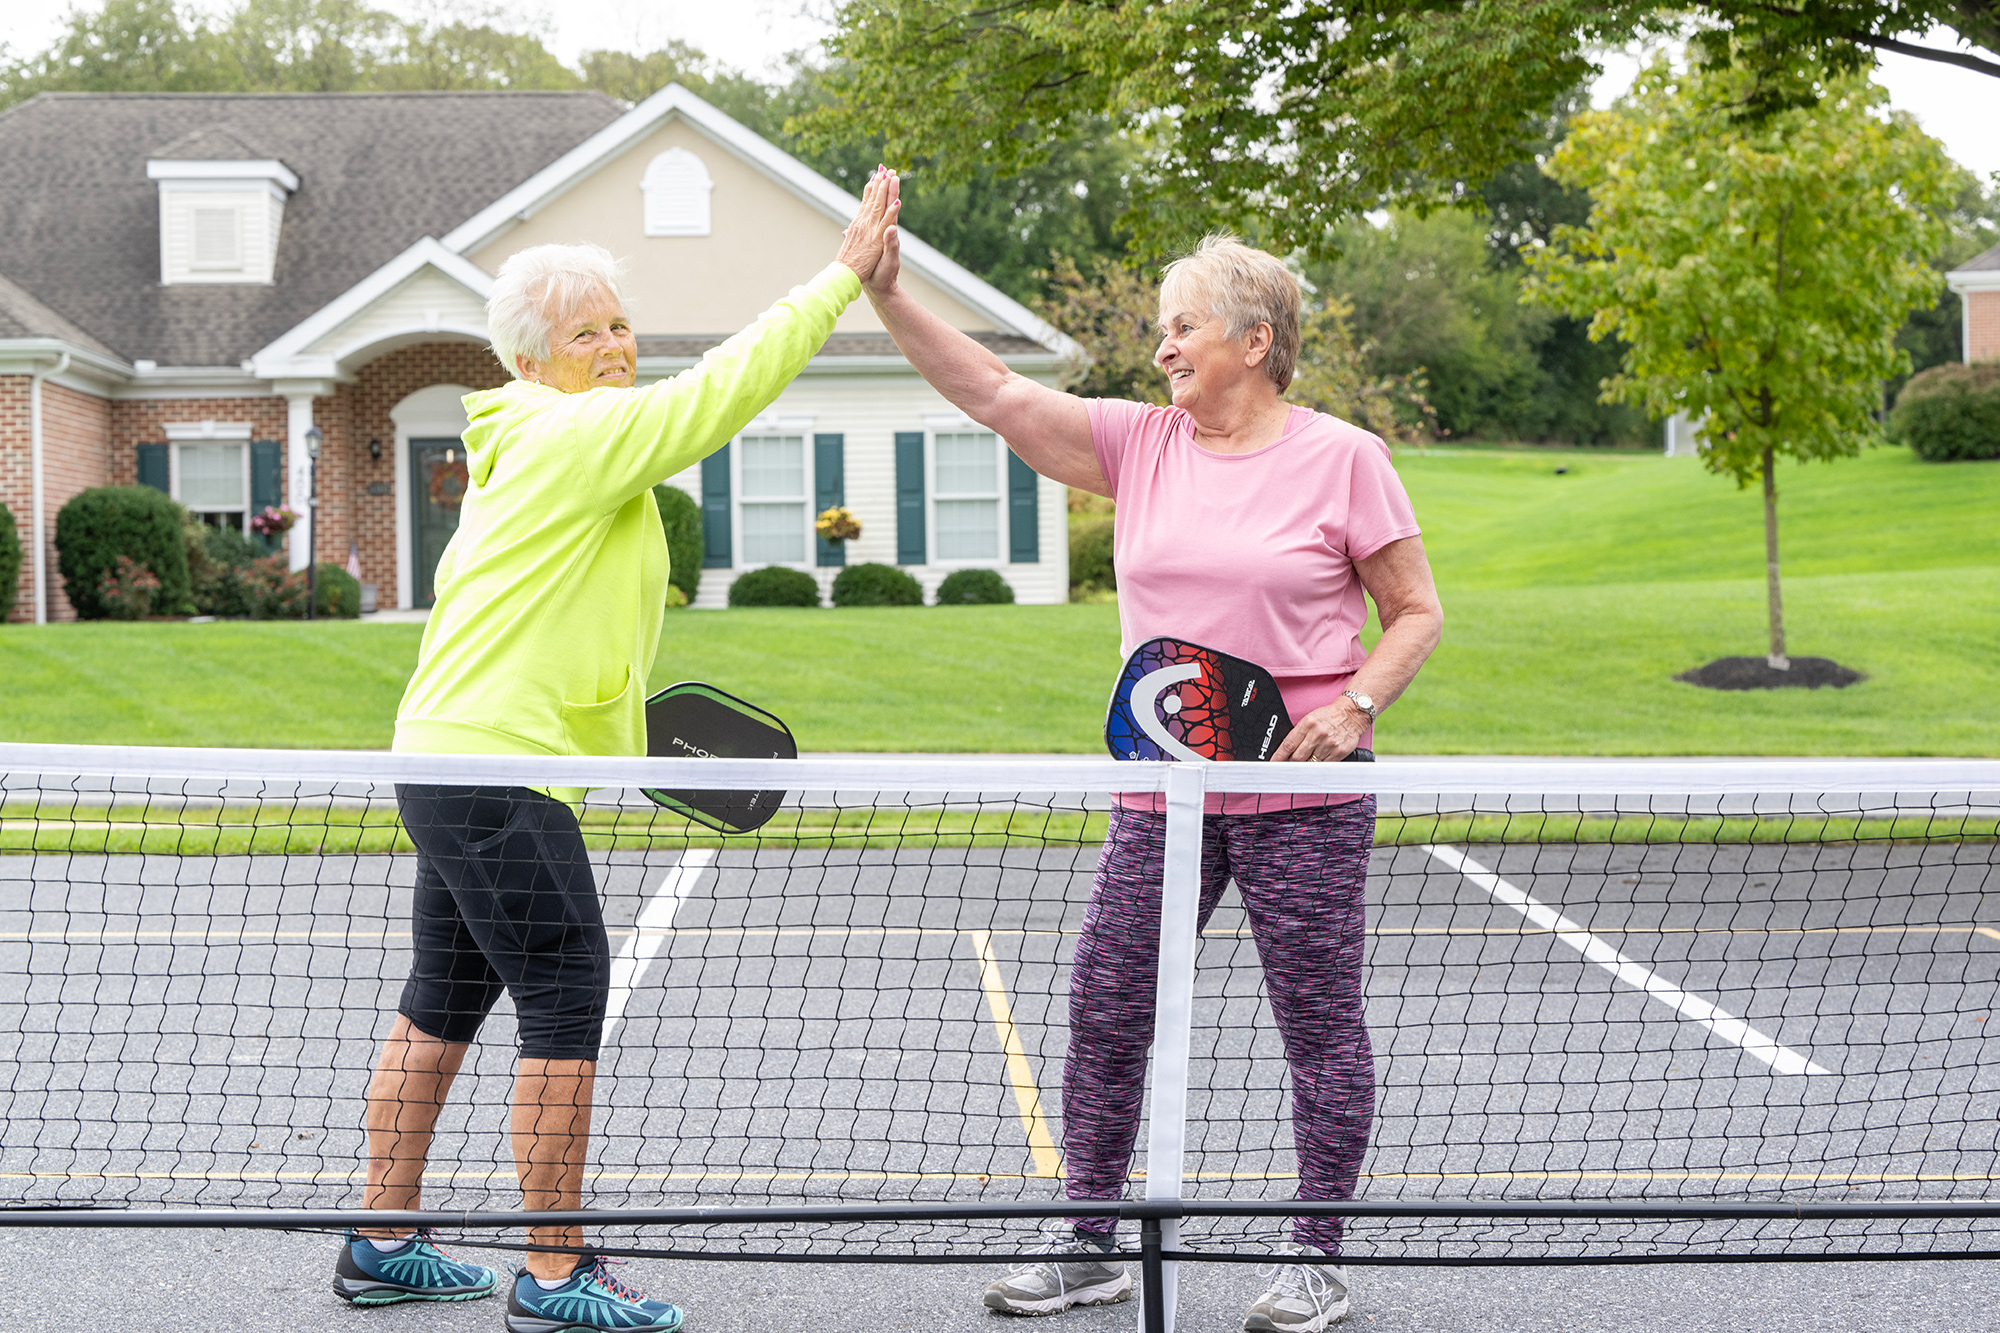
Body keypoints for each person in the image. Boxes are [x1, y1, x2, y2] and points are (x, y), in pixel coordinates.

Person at [861, 180, 1442, 1333]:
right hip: (1160, 790)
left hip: (1298, 792)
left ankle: (1314, 1256)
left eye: (1182, 324)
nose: (1161, 343)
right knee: (1106, 999)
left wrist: (1359, 704)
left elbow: (1414, 610)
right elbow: (991, 389)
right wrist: (887, 292)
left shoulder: (1345, 459)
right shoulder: (1141, 443)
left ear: (1254, 341)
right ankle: (1087, 1243)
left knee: (1315, 1021)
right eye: (1163, 327)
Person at [330, 173, 899, 1332]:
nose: (614, 347)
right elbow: (717, 395)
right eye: (585, 332)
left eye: (619, 325)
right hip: (493, 773)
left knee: (440, 996)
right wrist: (837, 278)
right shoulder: (564, 429)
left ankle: (382, 1241)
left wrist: (612, 722)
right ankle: (552, 1273)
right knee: (564, 989)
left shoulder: (528, 446)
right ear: (533, 360)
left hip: (455, 756)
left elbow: (533, 628)